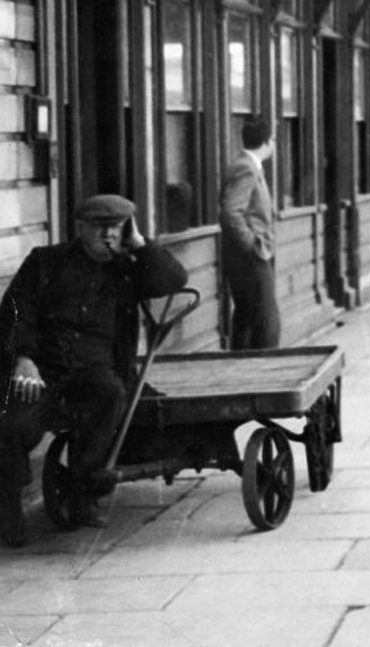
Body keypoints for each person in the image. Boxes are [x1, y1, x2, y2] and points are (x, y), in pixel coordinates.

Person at [0, 194, 188, 547]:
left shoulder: (128, 270)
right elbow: (14, 312)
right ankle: (7, 510)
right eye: (99, 228)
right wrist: (23, 359)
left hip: (96, 375)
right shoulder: (46, 263)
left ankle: (86, 492)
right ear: (80, 228)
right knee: (11, 424)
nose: (108, 236)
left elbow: (174, 279)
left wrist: (140, 244)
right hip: (42, 373)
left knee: (110, 393)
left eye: (116, 228)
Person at [220, 117, 280, 350]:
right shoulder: (246, 168)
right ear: (265, 142)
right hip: (249, 258)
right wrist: (252, 245)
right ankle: (263, 373)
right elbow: (230, 212)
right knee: (265, 321)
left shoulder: (248, 165)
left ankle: (243, 370)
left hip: (251, 256)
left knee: (249, 319)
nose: (274, 144)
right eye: (273, 139)